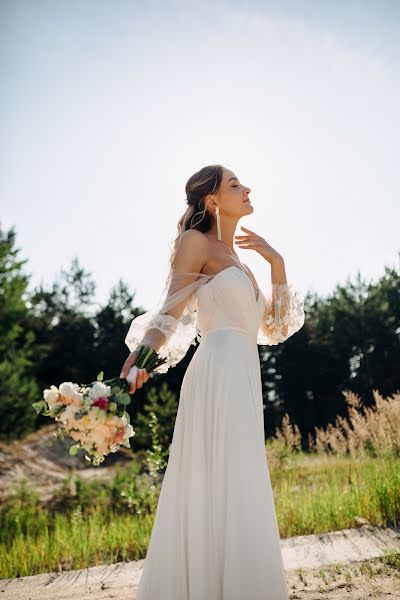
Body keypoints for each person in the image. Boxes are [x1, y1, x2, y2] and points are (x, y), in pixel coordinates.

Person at [119, 164, 305, 600]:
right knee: (218, 481)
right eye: (236, 184)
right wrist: (141, 358)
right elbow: (170, 312)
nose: (247, 188)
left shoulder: (241, 261)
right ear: (212, 200)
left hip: (244, 375)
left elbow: (275, 328)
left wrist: (276, 263)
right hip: (217, 372)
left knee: (241, 480)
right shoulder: (195, 242)